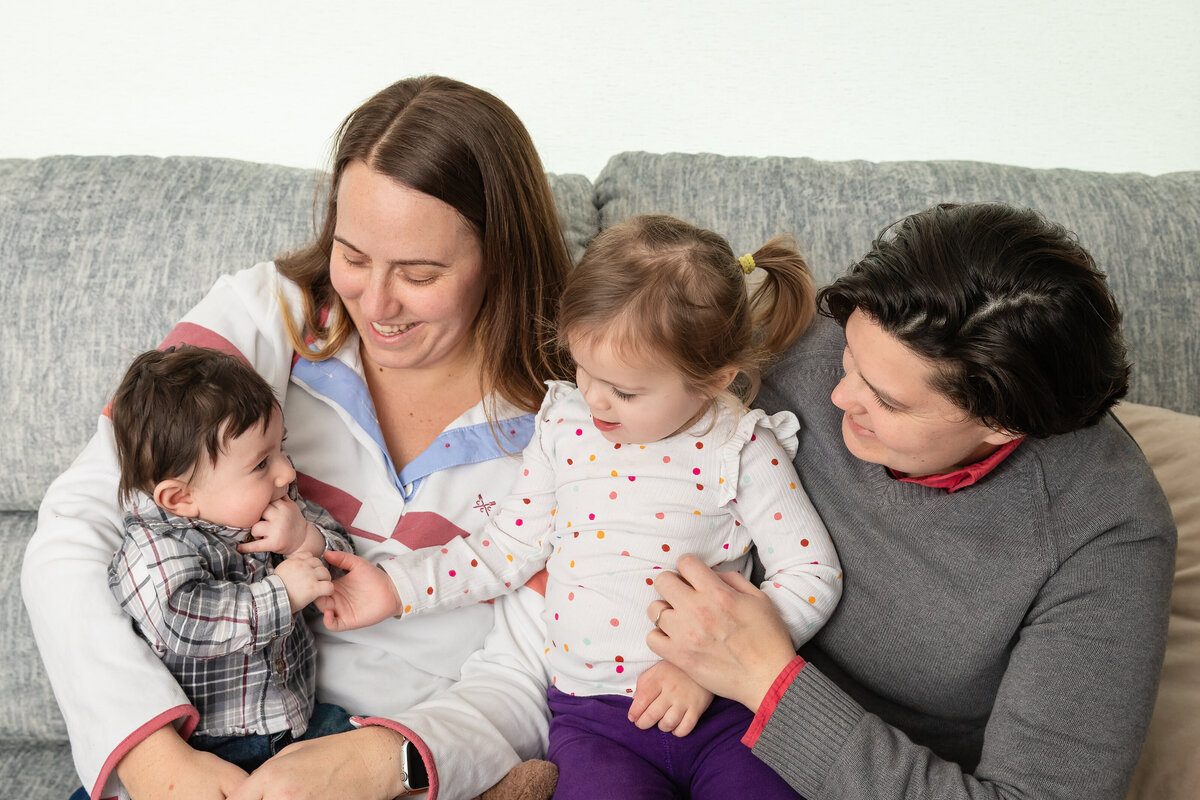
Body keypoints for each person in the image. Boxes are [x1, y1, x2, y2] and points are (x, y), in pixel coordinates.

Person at [22, 75, 573, 800]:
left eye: (419, 272)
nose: (376, 305)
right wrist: (156, 757)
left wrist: (385, 760)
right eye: (352, 256)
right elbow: (75, 530)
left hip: (404, 759)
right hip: (208, 733)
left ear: (500, 255)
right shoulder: (269, 318)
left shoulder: (577, 420)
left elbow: (541, 670)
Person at [645, 202, 1177, 800]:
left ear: (1000, 424)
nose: (838, 395)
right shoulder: (816, 339)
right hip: (654, 710)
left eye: (888, 402)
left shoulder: (1104, 534)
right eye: (846, 357)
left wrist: (768, 682)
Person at [319, 214, 843, 799]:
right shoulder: (564, 427)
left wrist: (713, 668)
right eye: (583, 369)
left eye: (624, 390)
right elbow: (506, 547)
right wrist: (395, 589)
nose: (594, 398)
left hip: (725, 708)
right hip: (593, 721)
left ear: (713, 380)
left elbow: (812, 574)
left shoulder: (741, 446)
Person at [107, 346, 355, 772]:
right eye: (262, 463)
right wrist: (281, 595)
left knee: (367, 756)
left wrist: (305, 540)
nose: (287, 473)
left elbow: (344, 562)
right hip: (212, 746)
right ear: (181, 498)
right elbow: (183, 620)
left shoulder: (279, 503)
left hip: (299, 720)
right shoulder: (155, 548)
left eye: (281, 448)